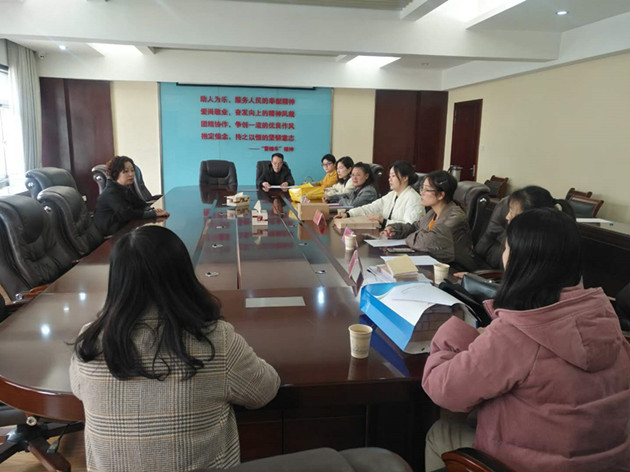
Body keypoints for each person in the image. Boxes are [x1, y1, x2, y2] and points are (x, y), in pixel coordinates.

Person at [422, 208, 630, 472]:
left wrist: (454, 330)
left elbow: (442, 389)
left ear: (519, 259)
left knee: (441, 431)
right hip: (608, 462)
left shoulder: (518, 333)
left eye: (506, 247)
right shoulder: (605, 316)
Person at [70, 226, 280, 472]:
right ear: (183, 276)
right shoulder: (215, 340)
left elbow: (78, 389)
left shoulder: (90, 342)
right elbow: (264, 390)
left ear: (116, 280)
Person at [382, 170, 475, 271]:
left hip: (455, 271)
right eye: (422, 188)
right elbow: (415, 227)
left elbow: (425, 243)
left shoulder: (454, 218)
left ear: (441, 195)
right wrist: (395, 229)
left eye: (426, 189)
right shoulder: (433, 212)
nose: (421, 193)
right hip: (433, 264)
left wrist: (407, 239)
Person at [475, 185, 575, 270]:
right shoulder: (518, 240)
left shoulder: (539, 251)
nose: (507, 216)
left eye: (512, 212)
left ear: (532, 220)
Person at [94, 156, 169, 235]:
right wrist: (152, 214)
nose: (131, 174)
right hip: (112, 234)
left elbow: (139, 203)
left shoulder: (123, 188)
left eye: (132, 170)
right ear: (115, 174)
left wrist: (150, 209)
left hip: (125, 227)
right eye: (125, 171)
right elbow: (127, 214)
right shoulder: (111, 192)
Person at [334, 161, 423, 227]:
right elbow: (371, 208)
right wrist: (349, 214)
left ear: (405, 178)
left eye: (393, 176)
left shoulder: (414, 199)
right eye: (389, 176)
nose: (389, 179)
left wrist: (384, 222)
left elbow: (411, 227)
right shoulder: (392, 195)